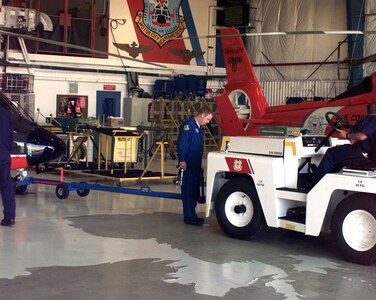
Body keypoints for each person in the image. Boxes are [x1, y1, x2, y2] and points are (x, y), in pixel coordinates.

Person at [314, 103, 376, 184]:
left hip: (363, 153)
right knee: (340, 153)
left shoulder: (364, 122)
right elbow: (354, 140)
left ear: (366, 111)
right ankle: (330, 180)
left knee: (331, 153)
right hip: (368, 154)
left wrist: (346, 135)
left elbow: (360, 137)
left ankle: (316, 183)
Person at [177, 107, 213, 226]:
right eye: (208, 119)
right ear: (202, 115)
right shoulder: (188, 126)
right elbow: (182, 144)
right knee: (188, 190)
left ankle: (193, 214)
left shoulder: (198, 128)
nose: (208, 122)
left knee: (194, 190)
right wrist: (182, 160)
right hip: (188, 163)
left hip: (195, 163)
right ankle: (189, 216)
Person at [0, 107, 16, 226]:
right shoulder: (6, 114)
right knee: (6, 186)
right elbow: (11, 135)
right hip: (4, 154)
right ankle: (9, 217)